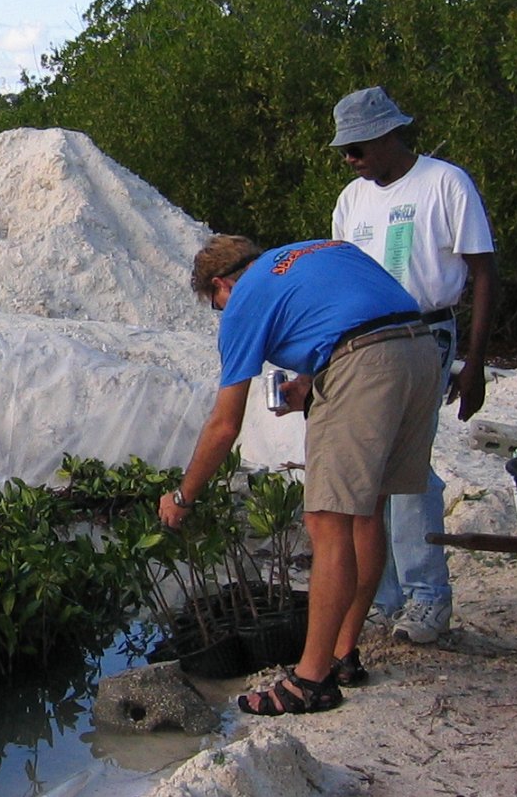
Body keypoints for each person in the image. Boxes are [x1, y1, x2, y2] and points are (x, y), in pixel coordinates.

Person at [159, 235, 442, 715]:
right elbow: (361, 316)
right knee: (367, 512)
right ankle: (342, 653)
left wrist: (183, 497)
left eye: (215, 304)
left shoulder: (243, 299)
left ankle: (310, 681)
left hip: (364, 366)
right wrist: (310, 384)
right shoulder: (321, 250)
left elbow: (225, 424)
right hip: (420, 351)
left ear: (221, 284)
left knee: (326, 521)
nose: (221, 312)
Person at [318, 85, 497, 646]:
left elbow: (484, 272)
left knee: (408, 466)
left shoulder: (445, 183)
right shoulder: (351, 199)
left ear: (389, 136)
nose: (351, 160)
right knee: (367, 472)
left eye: (358, 148)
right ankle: (381, 594)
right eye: (346, 151)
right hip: (362, 342)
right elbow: (341, 278)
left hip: (426, 330)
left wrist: (475, 361)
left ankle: (427, 597)